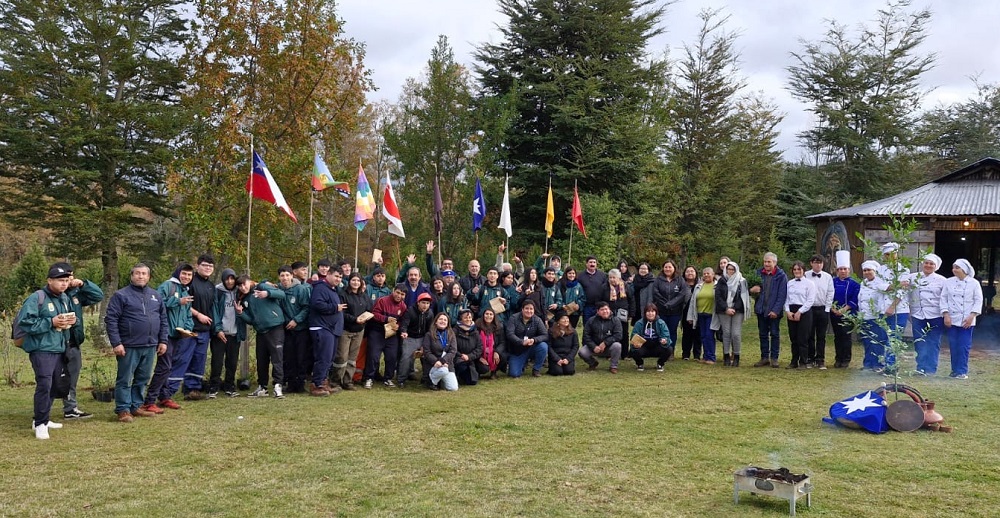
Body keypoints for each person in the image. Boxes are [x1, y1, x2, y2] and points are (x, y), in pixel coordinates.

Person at [104, 264, 169, 425]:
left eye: (144, 274)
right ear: (131, 276)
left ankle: (136, 406)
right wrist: (116, 343)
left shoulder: (155, 296)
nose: (141, 276)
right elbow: (111, 319)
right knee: (125, 379)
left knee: (143, 378)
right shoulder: (121, 295)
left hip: (150, 345)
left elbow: (163, 320)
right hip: (128, 345)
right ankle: (123, 409)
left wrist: (163, 340)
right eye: (138, 273)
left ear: (149, 277)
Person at [17, 264, 76, 437]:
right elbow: (26, 323)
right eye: (60, 281)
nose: (63, 284)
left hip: (59, 347)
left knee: (54, 385)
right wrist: (51, 322)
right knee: (44, 384)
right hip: (41, 348)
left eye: (66, 280)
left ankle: (42, 418)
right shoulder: (37, 298)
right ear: (49, 280)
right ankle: (41, 424)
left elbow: (62, 320)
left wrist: (70, 322)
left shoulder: (64, 298)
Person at [55, 262, 103, 420]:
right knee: (50, 377)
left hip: (74, 342)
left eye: (70, 276)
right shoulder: (50, 294)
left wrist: (84, 284)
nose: (67, 280)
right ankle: (42, 412)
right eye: (64, 277)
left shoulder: (76, 293)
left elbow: (98, 296)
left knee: (72, 377)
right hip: (55, 343)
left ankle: (70, 408)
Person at [145, 263, 195, 412]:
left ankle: (164, 396)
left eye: (189, 275)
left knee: (169, 366)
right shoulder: (168, 286)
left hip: (177, 335)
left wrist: (187, 328)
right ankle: (149, 401)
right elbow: (157, 305)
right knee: (164, 367)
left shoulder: (185, 290)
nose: (186, 277)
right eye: (184, 274)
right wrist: (178, 301)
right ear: (178, 273)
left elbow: (187, 314)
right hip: (164, 334)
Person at [236, 274, 288, 398]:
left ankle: (277, 386)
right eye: (240, 286)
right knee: (261, 360)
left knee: (277, 359)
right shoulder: (245, 299)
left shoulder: (262, 286)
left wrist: (267, 293)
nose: (243, 287)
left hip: (275, 328)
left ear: (249, 281)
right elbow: (251, 320)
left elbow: (282, 294)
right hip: (261, 331)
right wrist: (241, 313)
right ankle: (262, 387)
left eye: (244, 284)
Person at [941, 259, 983, 379]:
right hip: (952, 318)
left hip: (967, 319)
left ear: (964, 269)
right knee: (953, 345)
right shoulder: (948, 282)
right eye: (953, 267)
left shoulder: (974, 283)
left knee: (963, 346)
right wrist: (946, 315)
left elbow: (978, 300)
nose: (954, 270)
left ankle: (962, 371)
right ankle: (954, 371)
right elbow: (943, 299)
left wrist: (972, 316)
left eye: (957, 267)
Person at [307, 268, 344, 396]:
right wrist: (335, 307)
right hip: (321, 327)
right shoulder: (321, 288)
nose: (338, 279)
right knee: (323, 357)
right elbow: (316, 304)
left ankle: (324, 382)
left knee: (329, 358)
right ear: (328, 275)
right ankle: (316, 385)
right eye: (336, 276)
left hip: (332, 329)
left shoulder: (333, 290)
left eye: (340, 277)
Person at [184, 255, 216, 400]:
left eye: (210, 266)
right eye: (205, 265)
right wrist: (198, 315)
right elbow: (184, 304)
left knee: (199, 360)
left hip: (205, 330)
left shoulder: (211, 286)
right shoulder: (190, 282)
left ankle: (194, 389)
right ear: (197, 266)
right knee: (185, 358)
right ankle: (175, 389)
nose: (208, 268)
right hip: (190, 328)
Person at [909, 253, 946, 376]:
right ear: (922, 264)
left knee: (933, 342)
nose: (928, 265)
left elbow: (945, 298)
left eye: (931, 264)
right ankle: (920, 367)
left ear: (936, 266)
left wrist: (946, 314)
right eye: (926, 263)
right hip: (918, 314)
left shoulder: (942, 280)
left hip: (935, 315)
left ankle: (930, 369)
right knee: (919, 342)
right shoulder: (913, 277)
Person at [364, 283, 407, 388]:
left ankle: (388, 378)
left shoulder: (403, 306)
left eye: (402, 294)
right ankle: (369, 378)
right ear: (393, 290)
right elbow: (374, 314)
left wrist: (398, 326)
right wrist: (386, 319)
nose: (399, 296)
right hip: (377, 331)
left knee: (391, 356)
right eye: (397, 292)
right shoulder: (382, 300)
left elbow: (403, 320)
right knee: (373, 355)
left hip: (392, 334)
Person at [210, 268, 244, 397]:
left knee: (232, 362)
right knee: (217, 361)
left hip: (235, 333)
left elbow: (253, 284)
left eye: (232, 278)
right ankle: (214, 386)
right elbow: (214, 312)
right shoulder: (217, 291)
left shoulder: (239, 292)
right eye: (227, 279)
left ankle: (229, 385)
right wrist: (217, 329)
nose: (229, 281)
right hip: (220, 334)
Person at [749, 252, 787, 368]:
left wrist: (775, 310)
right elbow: (750, 288)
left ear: (775, 263)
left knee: (774, 334)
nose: (766, 264)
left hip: (774, 311)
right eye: (765, 261)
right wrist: (752, 290)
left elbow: (782, 295)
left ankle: (774, 358)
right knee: (762, 334)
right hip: (761, 309)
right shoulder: (758, 273)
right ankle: (764, 357)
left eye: (769, 262)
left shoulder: (781, 276)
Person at [279, 265, 311, 393]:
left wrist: (296, 320)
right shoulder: (278, 290)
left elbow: (306, 308)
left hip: (301, 329)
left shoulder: (300, 289)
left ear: (292, 275)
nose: (285, 278)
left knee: (301, 357)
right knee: (289, 357)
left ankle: (301, 384)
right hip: (286, 329)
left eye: (287, 275)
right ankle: (291, 384)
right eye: (282, 275)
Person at [336, 273, 370, 390]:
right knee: (342, 357)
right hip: (346, 329)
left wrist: (365, 318)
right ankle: (336, 380)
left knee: (352, 358)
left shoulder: (364, 295)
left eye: (358, 281)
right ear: (349, 281)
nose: (356, 283)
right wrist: (355, 319)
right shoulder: (343, 294)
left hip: (359, 331)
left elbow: (370, 308)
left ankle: (348, 381)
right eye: (353, 280)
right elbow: (342, 313)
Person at [858, 260, 891, 373]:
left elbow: (888, 289)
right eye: (865, 270)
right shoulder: (863, 283)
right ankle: (868, 363)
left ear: (875, 271)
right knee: (867, 341)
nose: (867, 272)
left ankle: (878, 364)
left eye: (869, 270)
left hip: (876, 316)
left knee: (877, 341)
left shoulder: (880, 282)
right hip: (864, 316)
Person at [714, 262, 749, 367]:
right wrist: (726, 308)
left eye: (733, 269)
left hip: (737, 311)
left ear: (736, 270)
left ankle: (737, 356)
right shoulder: (721, 281)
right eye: (729, 269)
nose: (730, 271)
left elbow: (743, 297)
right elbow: (718, 296)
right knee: (726, 333)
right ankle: (726, 356)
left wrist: (734, 308)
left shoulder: (742, 281)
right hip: (723, 311)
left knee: (736, 334)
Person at [652, 260, 689, 358]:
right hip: (661, 310)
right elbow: (656, 293)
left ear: (674, 268)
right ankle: (661, 350)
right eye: (666, 267)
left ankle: (670, 351)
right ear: (663, 268)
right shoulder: (658, 280)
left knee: (672, 331)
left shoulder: (680, 280)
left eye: (670, 267)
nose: (668, 269)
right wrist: (665, 304)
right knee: (661, 331)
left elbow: (682, 294)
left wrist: (671, 304)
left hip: (675, 312)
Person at [503, 299, 549, 378]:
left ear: (534, 310)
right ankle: (522, 364)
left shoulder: (537, 320)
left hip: (531, 348)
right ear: (522, 309)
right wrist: (521, 342)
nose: (529, 311)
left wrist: (534, 340)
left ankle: (536, 369)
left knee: (543, 346)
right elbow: (509, 334)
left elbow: (545, 335)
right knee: (514, 374)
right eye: (527, 308)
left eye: (531, 309)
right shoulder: (513, 318)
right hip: (517, 351)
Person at [830, 251, 860, 368]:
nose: (842, 271)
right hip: (834, 314)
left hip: (848, 314)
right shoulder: (832, 282)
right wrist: (833, 308)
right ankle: (838, 358)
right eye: (840, 269)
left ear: (849, 270)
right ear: (837, 271)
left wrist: (844, 309)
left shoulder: (855, 284)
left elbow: (855, 299)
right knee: (837, 337)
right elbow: (829, 296)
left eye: (845, 269)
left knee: (846, 336)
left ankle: (846, 359)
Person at [804, 254, 834, 369]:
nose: (818, 264)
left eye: (820, 262)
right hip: (809, 309)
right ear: (811, 263)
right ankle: (810, 358)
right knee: (810, 335)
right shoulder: (806, 275)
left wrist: (827, 308)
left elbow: (830, 293)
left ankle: (820, 359)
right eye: (816, 262)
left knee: (821, 336)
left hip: (822, 309)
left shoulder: (827, 277)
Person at [398, 292, 435, 388]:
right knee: (406, 357)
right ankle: (401, 379)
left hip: (423, 337)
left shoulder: (430, 313)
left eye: (427, 303)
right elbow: (404, 324)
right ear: (418, 302)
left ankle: (426, 378)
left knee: (427, 357)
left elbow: (430, 329)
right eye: (423, 302)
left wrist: (428, 340)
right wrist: (404, 331)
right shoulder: (410, 311)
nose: (425, 305)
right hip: (410, 337)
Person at [784, 261, 817, 369]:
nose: (797, 271)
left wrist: (800, 312)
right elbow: (786, 299)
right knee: (793, 338)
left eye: (799, 269)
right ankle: (794, 361)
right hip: (791, 310)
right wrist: (788, 311)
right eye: (795, 269)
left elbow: (810, 300)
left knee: (803, 338)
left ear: (803, 270)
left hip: (804, 311)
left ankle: (803, 361)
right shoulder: (789, 283)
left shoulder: (809, 284)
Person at [580, 301, 623, 373]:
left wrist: (605, 343)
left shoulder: (616, 320)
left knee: (617, 346)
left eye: (606, 309)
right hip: (594, 346)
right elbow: (586, 336)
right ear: (598, 311)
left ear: (609, 310)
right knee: (582, 352)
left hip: (608, 346)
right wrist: (593, 346)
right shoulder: (591, 320)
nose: (605, 311)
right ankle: (593, 363)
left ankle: (613, 366)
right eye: (602, 310)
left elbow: (618, 335)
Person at [687, 267, 718, 365]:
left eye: (708, 273)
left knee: (709, 336)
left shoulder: (717, 286)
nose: (706, 275)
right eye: (704, 274)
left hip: (711, 315)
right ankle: (705, 356)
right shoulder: (699, 286)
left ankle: (711, 357)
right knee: (703, 336)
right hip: (700, 314)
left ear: (713, 275)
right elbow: (692, 302)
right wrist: (690, 316)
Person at [421, 313, 459, 391]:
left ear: (448, 323)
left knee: (453, 388)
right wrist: (436, 361)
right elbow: (427, 352)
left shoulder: (451, 334)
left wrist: (443, 361)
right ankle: (431, 381)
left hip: (447, 364)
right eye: (440, 319)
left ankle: (439, 380)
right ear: (436, 321)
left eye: (445, 320)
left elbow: (453, 351)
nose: (443, 321)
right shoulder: (429, 335)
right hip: (433, 364)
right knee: (443, 371)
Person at [629, 304, 672, 371]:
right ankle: (640, 364)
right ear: (645, 313)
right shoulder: (639, 323)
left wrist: (664, 340)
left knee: (669, 349)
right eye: (648, 311)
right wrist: (635, 343)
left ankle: (660, 364)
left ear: (656, 313)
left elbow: (666, 336)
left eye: (652, 311)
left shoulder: (661, 323)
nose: (650, 313)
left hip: (657, 346)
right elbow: (634, 336)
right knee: (633, 350)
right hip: (643, 347)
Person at [453, 309, 485, 385]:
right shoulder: (454, 331)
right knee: (462, 366)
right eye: (465, 318)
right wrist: (461, 356)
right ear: (461, 319)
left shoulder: (475, 331)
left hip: (472, 358)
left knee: (484, 368)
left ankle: (473, 374)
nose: (468, 319)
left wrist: (469, 356)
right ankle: (458, 375)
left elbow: (479, 347)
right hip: (459, 358)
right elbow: (452, 347)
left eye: (470, 317)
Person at [547, 309, 579, 376]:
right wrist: (557, 359)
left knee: (569, 371)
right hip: (556, 356)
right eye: (563, 318)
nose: (566, 320)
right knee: (558, 372)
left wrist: (568, 359)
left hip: (567, 356)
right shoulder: (551, 331)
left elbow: (575, 346)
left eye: (567, 318)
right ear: (558, 321)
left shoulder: (573, 332)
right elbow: (549, 347)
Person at [578, 256, 609, 324]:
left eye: (594, 262)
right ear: (586, 264)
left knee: (599, 325)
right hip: (587, 306)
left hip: (599, 306)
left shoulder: (602, 275)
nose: (592, 264)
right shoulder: (580, 276)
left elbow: (606, 289)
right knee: (587, 325)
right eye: (590, 262)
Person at [476, 308, 504, 378]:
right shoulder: (477, 327)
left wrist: (497, 352)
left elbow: (502, 342)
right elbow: (473, 344)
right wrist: (479, 357)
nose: (488, 316)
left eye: (491, 314)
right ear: (483, 315)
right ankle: (477, 371)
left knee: (504, 357)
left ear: (494, 316)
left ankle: (494, 372)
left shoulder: (499, 327)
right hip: (480, 353)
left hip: (493, 352)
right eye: (486, 314)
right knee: (483, 368)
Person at [679, 266, 699, 360]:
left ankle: (697, 355)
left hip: (698, 312)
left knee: (697, 334)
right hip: (685, 312)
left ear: (696, 273)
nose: (690, 273)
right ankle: (685, 354)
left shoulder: (701, 284)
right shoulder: (681, 284)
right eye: (687, 271)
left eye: (692, 271)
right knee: (687, 334)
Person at [630, 262, 655, 327]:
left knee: (647, 327)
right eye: (641, 268)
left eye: (645, 269)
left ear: (648, 270)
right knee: (637, 328)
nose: (643, 270)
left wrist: (649, 308)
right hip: (636, 308)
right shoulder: (634, 279)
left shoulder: (652, 281)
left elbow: (652, 296)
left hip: (647, 308)